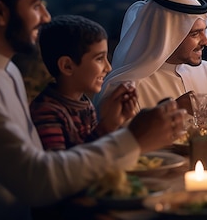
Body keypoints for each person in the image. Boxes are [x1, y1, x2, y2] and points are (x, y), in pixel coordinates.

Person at [0, 0, 186, 219]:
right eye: (35, 5)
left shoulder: (4, 69)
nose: (46, 16)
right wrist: (132, 138)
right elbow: (37, 179)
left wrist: (112, 129)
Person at [96, 0, 207, 124]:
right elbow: (123, 150)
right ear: (168, 35)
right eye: (195, 34)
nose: (206, 41)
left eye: (204, 31)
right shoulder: (124, 88)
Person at [30, 14, 139, 151]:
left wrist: (118, 121)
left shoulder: (85, 104)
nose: (108, 67)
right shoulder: (46, 112)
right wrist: (107, 126)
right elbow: (62, 167)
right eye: (99, 59)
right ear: (67, 66)